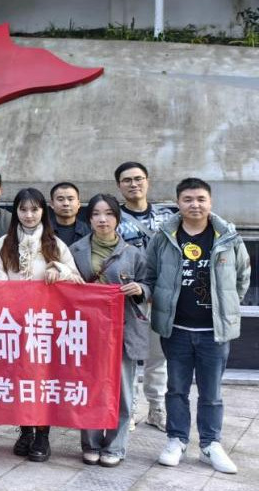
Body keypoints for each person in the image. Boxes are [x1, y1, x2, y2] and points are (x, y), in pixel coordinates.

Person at [147, 178, 250, 474]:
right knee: (176, 389)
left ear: (210, 201)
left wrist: (226, 305)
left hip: (213, 333)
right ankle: (177, 439)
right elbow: (151, 274)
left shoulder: (228, 236)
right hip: (176, 329)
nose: (195, 204)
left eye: (201, 199)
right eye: (188, 199)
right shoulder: (164, 237)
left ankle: (210, 444)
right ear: (178, 203)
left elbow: (242, 276)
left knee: (211, 392)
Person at [0, 187, 80, 463]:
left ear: (44, 211)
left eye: (35, 209)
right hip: (15, 323)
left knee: (43, 380)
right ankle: (26, 430)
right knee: (20, 379)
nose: (29, 215)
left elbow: (77, 279)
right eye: (23, 209)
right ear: (16, 212)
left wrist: (59, 270)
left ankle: (42, 434)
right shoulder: (3, 244)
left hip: (46, 325)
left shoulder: (56, 245)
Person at [70, 194, 150, 468]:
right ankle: (91, 443)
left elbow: (149, 285)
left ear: (117, 218)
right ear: (89, 218)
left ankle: (115, 446)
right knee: (90, 387)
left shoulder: (133, 253)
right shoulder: (75, 250)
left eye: (109, 214)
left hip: (123, 330)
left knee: (122, 391)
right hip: (87, 331)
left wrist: (140, 289)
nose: (102, 219)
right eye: (96, 214)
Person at [114, 161, 175, 432]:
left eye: (138, 179)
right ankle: (130, 408)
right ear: (119, 186)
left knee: (158, 357)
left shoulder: (168, 217)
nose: (133, 184)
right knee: (128, 356)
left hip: (162, 298)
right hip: (130, 299)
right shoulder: (113, 217)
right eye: (127, 180)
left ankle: (156, 408)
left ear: (147, 181)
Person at [48, 182, 90, 247]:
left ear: (78, 203)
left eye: (70, 199)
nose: (66, 203)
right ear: (52, 204)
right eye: (60, 199)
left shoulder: (89, 231)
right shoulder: (43, 230)